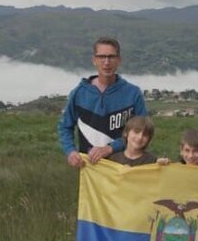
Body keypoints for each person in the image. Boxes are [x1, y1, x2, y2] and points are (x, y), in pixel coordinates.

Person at [58, 37, 147, 167]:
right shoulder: (79, 93)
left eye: (111, 57)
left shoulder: (133, 93)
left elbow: (143, 131)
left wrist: (111, 148)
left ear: (119, 60)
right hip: (90, 168)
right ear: (94, 60)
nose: (106, 62)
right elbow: (65, 126)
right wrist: (70, 151)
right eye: (101, 57)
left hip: (124, 166)